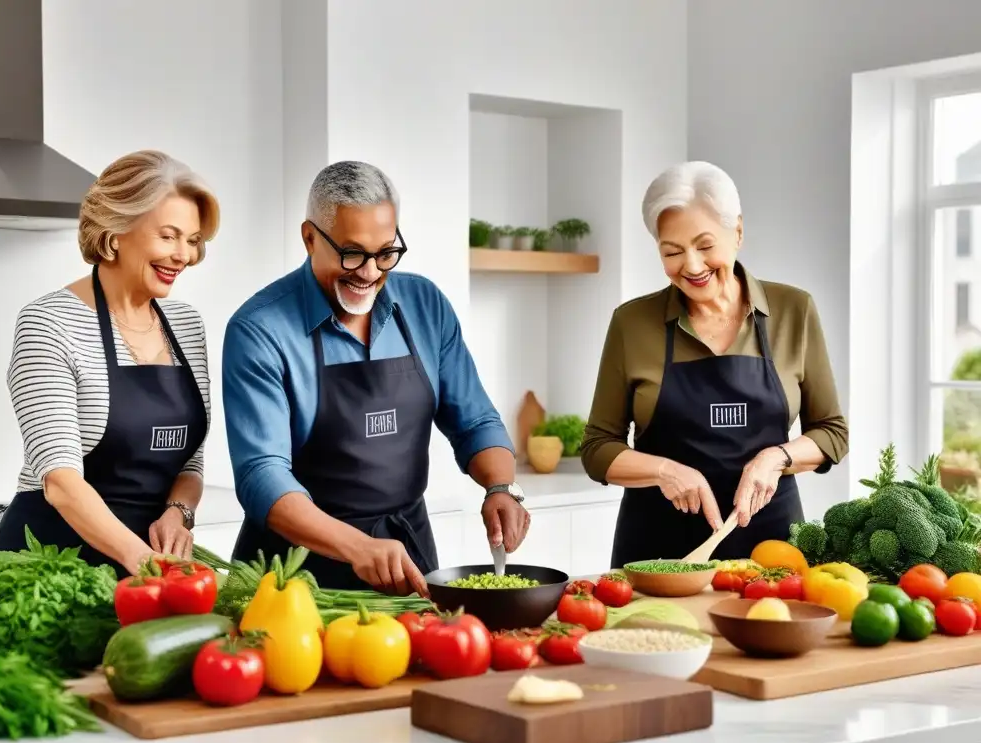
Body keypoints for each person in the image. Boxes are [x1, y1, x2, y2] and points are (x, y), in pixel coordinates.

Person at [222, 160, 530, 596]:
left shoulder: (425, 304)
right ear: (310, 238)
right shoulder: (260, 329)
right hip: (292, 577)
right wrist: (357, 547)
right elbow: (261, 473)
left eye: (386, 252)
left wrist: (501, 485)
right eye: (352, 253)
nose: (369, 273)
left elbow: (475, 420)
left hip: (405, 560)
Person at [580, 161, 849, 565]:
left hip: (770, 553)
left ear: (737, 231)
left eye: (705, 246)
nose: (691, 265)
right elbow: (598, 448)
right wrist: (664, 471)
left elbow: (831, 433)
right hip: (659, 555)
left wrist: (775, 458)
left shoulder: (794, 311)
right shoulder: (632, 323)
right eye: (672, 251)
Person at [0, 150, 218, 577]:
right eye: (168, 236)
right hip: (49, 569)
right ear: (115, 233)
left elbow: (189, 461)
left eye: (192, 240)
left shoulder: (186, 325)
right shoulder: (49, 322)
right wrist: (142, 561)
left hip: (147, 570)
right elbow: (60, 483)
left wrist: (178, 513)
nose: (183, 255)